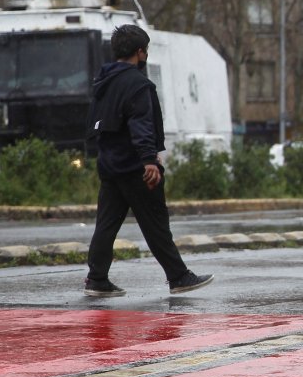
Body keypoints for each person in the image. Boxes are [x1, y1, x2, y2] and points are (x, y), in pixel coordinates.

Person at [84, 25, 213, 297]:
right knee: (156, 225)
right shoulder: (138, 84)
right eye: (146, 51)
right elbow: (140, 123)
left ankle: (96, 279)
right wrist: (149, 160)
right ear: (140, 52)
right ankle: (179, 277)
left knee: (106, 225)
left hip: (109, 165)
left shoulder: (102, 82)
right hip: (136, 167)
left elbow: (95, 125)